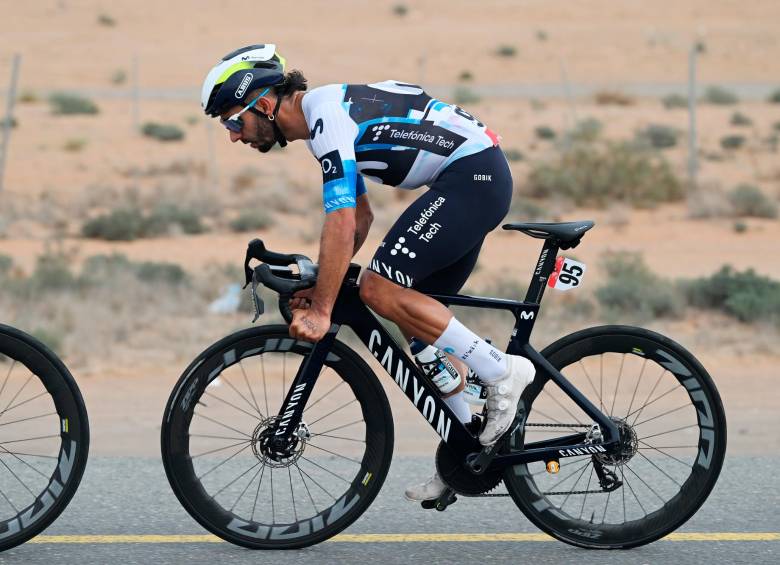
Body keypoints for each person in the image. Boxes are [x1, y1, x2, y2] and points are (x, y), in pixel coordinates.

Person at [201, 44, 535, 502]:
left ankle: (502, 372)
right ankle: (467, 454)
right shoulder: (326, 120)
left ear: (262, 103)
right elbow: (359, 217)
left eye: (232, 121)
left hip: (472, 177)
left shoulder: (325, 117)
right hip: (471, 177)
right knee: (419, 329)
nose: (234, 136)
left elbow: (339, 221)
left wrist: (322, 308)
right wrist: (324, 287)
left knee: (379, 288)